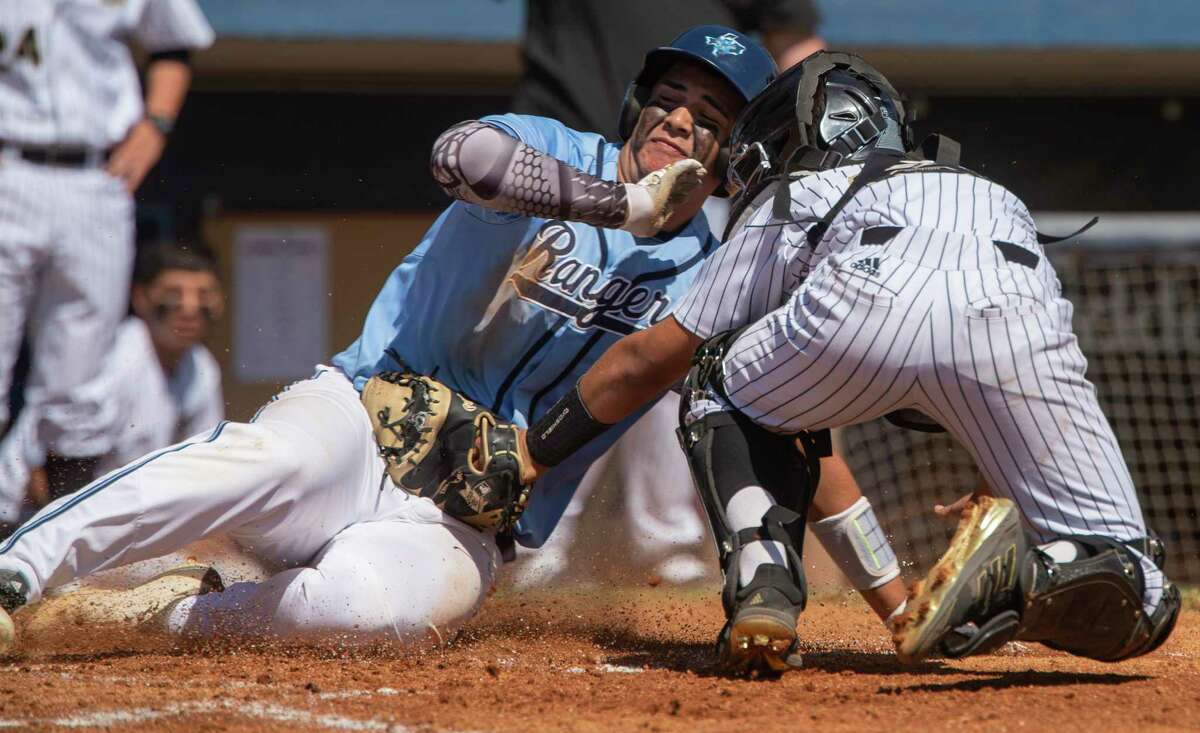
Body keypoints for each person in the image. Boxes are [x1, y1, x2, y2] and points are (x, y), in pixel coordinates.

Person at [512, 51, 1181, 674]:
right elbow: (977, 320)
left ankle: (763, 572)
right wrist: (991, 472)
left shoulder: (792, 191)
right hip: (1017, 301)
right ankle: (1040, 571)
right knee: (1144, 590)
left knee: (718, 377)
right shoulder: (989, 192)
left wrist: (536, 450)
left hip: (867, 285)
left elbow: (652, 357)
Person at [511, 1, 826, 589]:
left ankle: (664, 543)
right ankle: (526, 537)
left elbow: (794, 39)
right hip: (566, 153)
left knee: (674, 344)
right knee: (546, 328)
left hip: (699, 168)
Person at [0, 0, 214, 499]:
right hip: (9, 161)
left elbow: (175, 44)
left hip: (96, 175)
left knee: (78, 386)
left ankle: (53, 541)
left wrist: (155, 126)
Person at [0, 243, 225, 527]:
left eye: (203, 296)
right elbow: (51, 470)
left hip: (118, 519)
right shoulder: (115, 357)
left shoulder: (201, 367)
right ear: (140, 297)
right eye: (173, 295)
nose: (190, 308)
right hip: (32, 517)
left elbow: (202, 465)